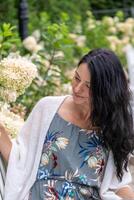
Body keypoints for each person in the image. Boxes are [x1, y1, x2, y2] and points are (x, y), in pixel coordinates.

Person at [0, 48, 134, 200]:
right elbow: (21, 161)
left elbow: (117, 184)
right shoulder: (47, 108)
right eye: (77, 78)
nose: (77, 89)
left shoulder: (112, 126)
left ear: (105, 91)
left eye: (88, 86)